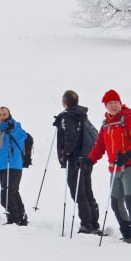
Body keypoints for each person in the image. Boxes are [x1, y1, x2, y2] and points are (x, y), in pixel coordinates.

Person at [88, 89, 131, 244]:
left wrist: (127, 155)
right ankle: (127, 232)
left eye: (116, 102)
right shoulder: (106, 124)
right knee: (115, 201)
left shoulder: (128, 119)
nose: (114, 105)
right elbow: (100, 146)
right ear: (105, 106)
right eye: (110, 103)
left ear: (121, 103)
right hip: (115, 168)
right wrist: (90, 160)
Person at [54, 90, 100, 234]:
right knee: (87, 189)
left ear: (64, 102)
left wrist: (66, 153)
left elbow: (71, 136)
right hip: (87, 158)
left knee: (78, 192)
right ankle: (93, 222)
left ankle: (86, 224)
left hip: (75, 160)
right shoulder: (82, 115)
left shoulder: (68, 116)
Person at [0, 106, 28, 226]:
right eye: (0, 115)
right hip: (3, 166)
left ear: (9, 115)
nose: (2, 117)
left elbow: (23, 136)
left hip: (13, 164)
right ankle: (21, 217)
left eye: (4, 114)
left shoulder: (15, 126)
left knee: (7, 195)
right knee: (12, 192)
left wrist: (12, 129)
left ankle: (13, 219)